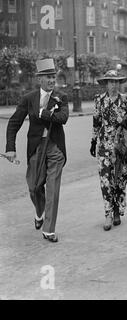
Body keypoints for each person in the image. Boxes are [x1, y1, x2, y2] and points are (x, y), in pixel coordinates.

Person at [5, 58, 69, 243]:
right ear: (39, 79)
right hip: (36, 147)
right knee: (34, 188)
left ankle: (49, 229)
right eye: (48, 77)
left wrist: (44, 114)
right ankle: (39, 211)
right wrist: (11, 148)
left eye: (53, 76)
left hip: (55, 147)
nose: (51, 80)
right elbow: (14, 122)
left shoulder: (61, 97)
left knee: (53, 189)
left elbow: (63, 118)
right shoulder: (29, 98)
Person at [90, 70, 127, 231]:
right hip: (105, 146)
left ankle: (117, 210)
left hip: (123, 147)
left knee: (120, 180)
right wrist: (93, 142)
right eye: (110, 82)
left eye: (116, 82)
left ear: (119, 83)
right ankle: (108, 214)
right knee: (106, 180)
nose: (113, 85)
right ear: (106, 83)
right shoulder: (99, 100)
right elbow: (96, 122)